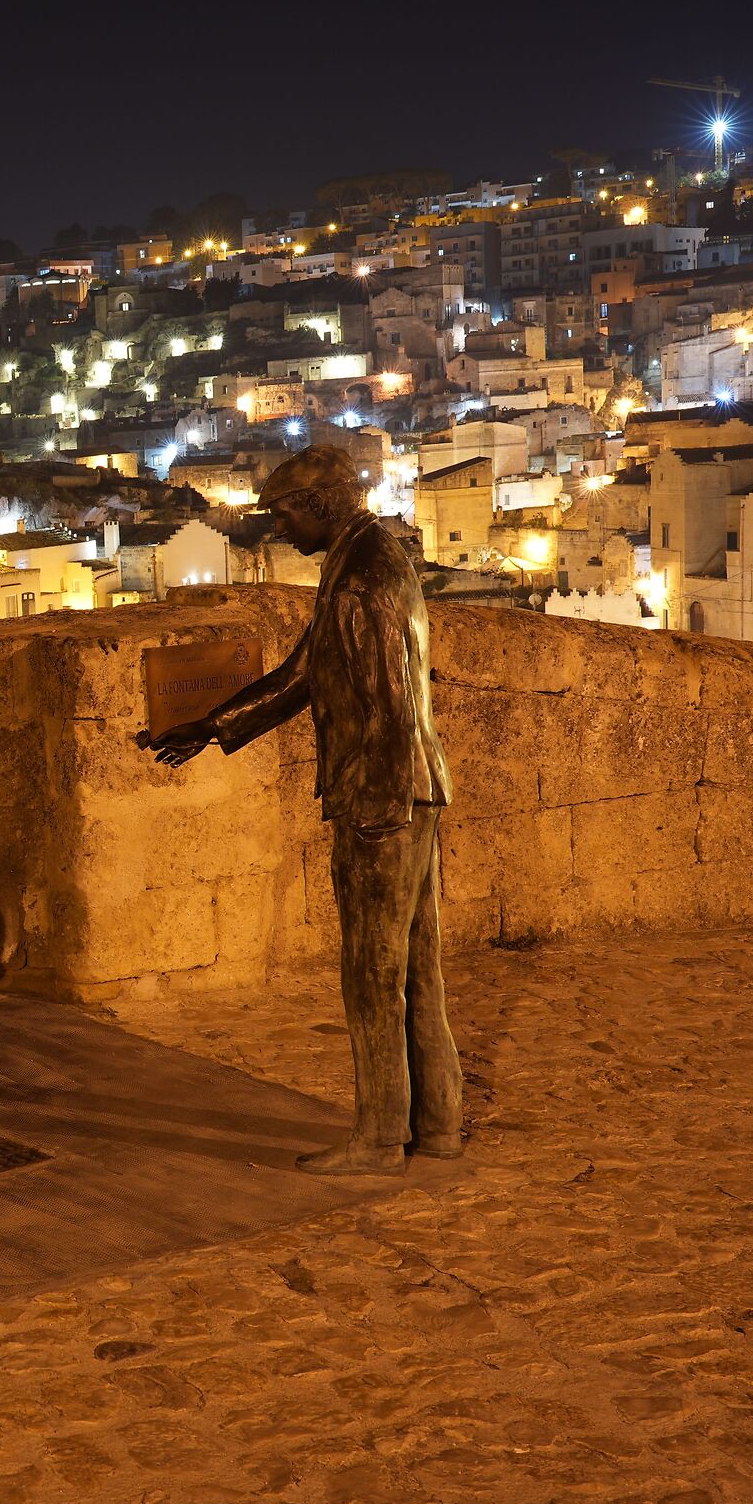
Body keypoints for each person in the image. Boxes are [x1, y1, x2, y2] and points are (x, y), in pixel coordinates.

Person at [142, 445, 461, 1176]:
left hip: (381, 792)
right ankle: (438, 1123)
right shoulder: (372, 556)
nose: (278, 528)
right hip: (413, 784)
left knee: (371, 969)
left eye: (283, 512)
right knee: (416, 966)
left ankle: (381, 1136)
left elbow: (386, 695)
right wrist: (212, 727)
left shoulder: (358, 578)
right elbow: (305, 675)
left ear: (320, 503)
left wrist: (376, 804)